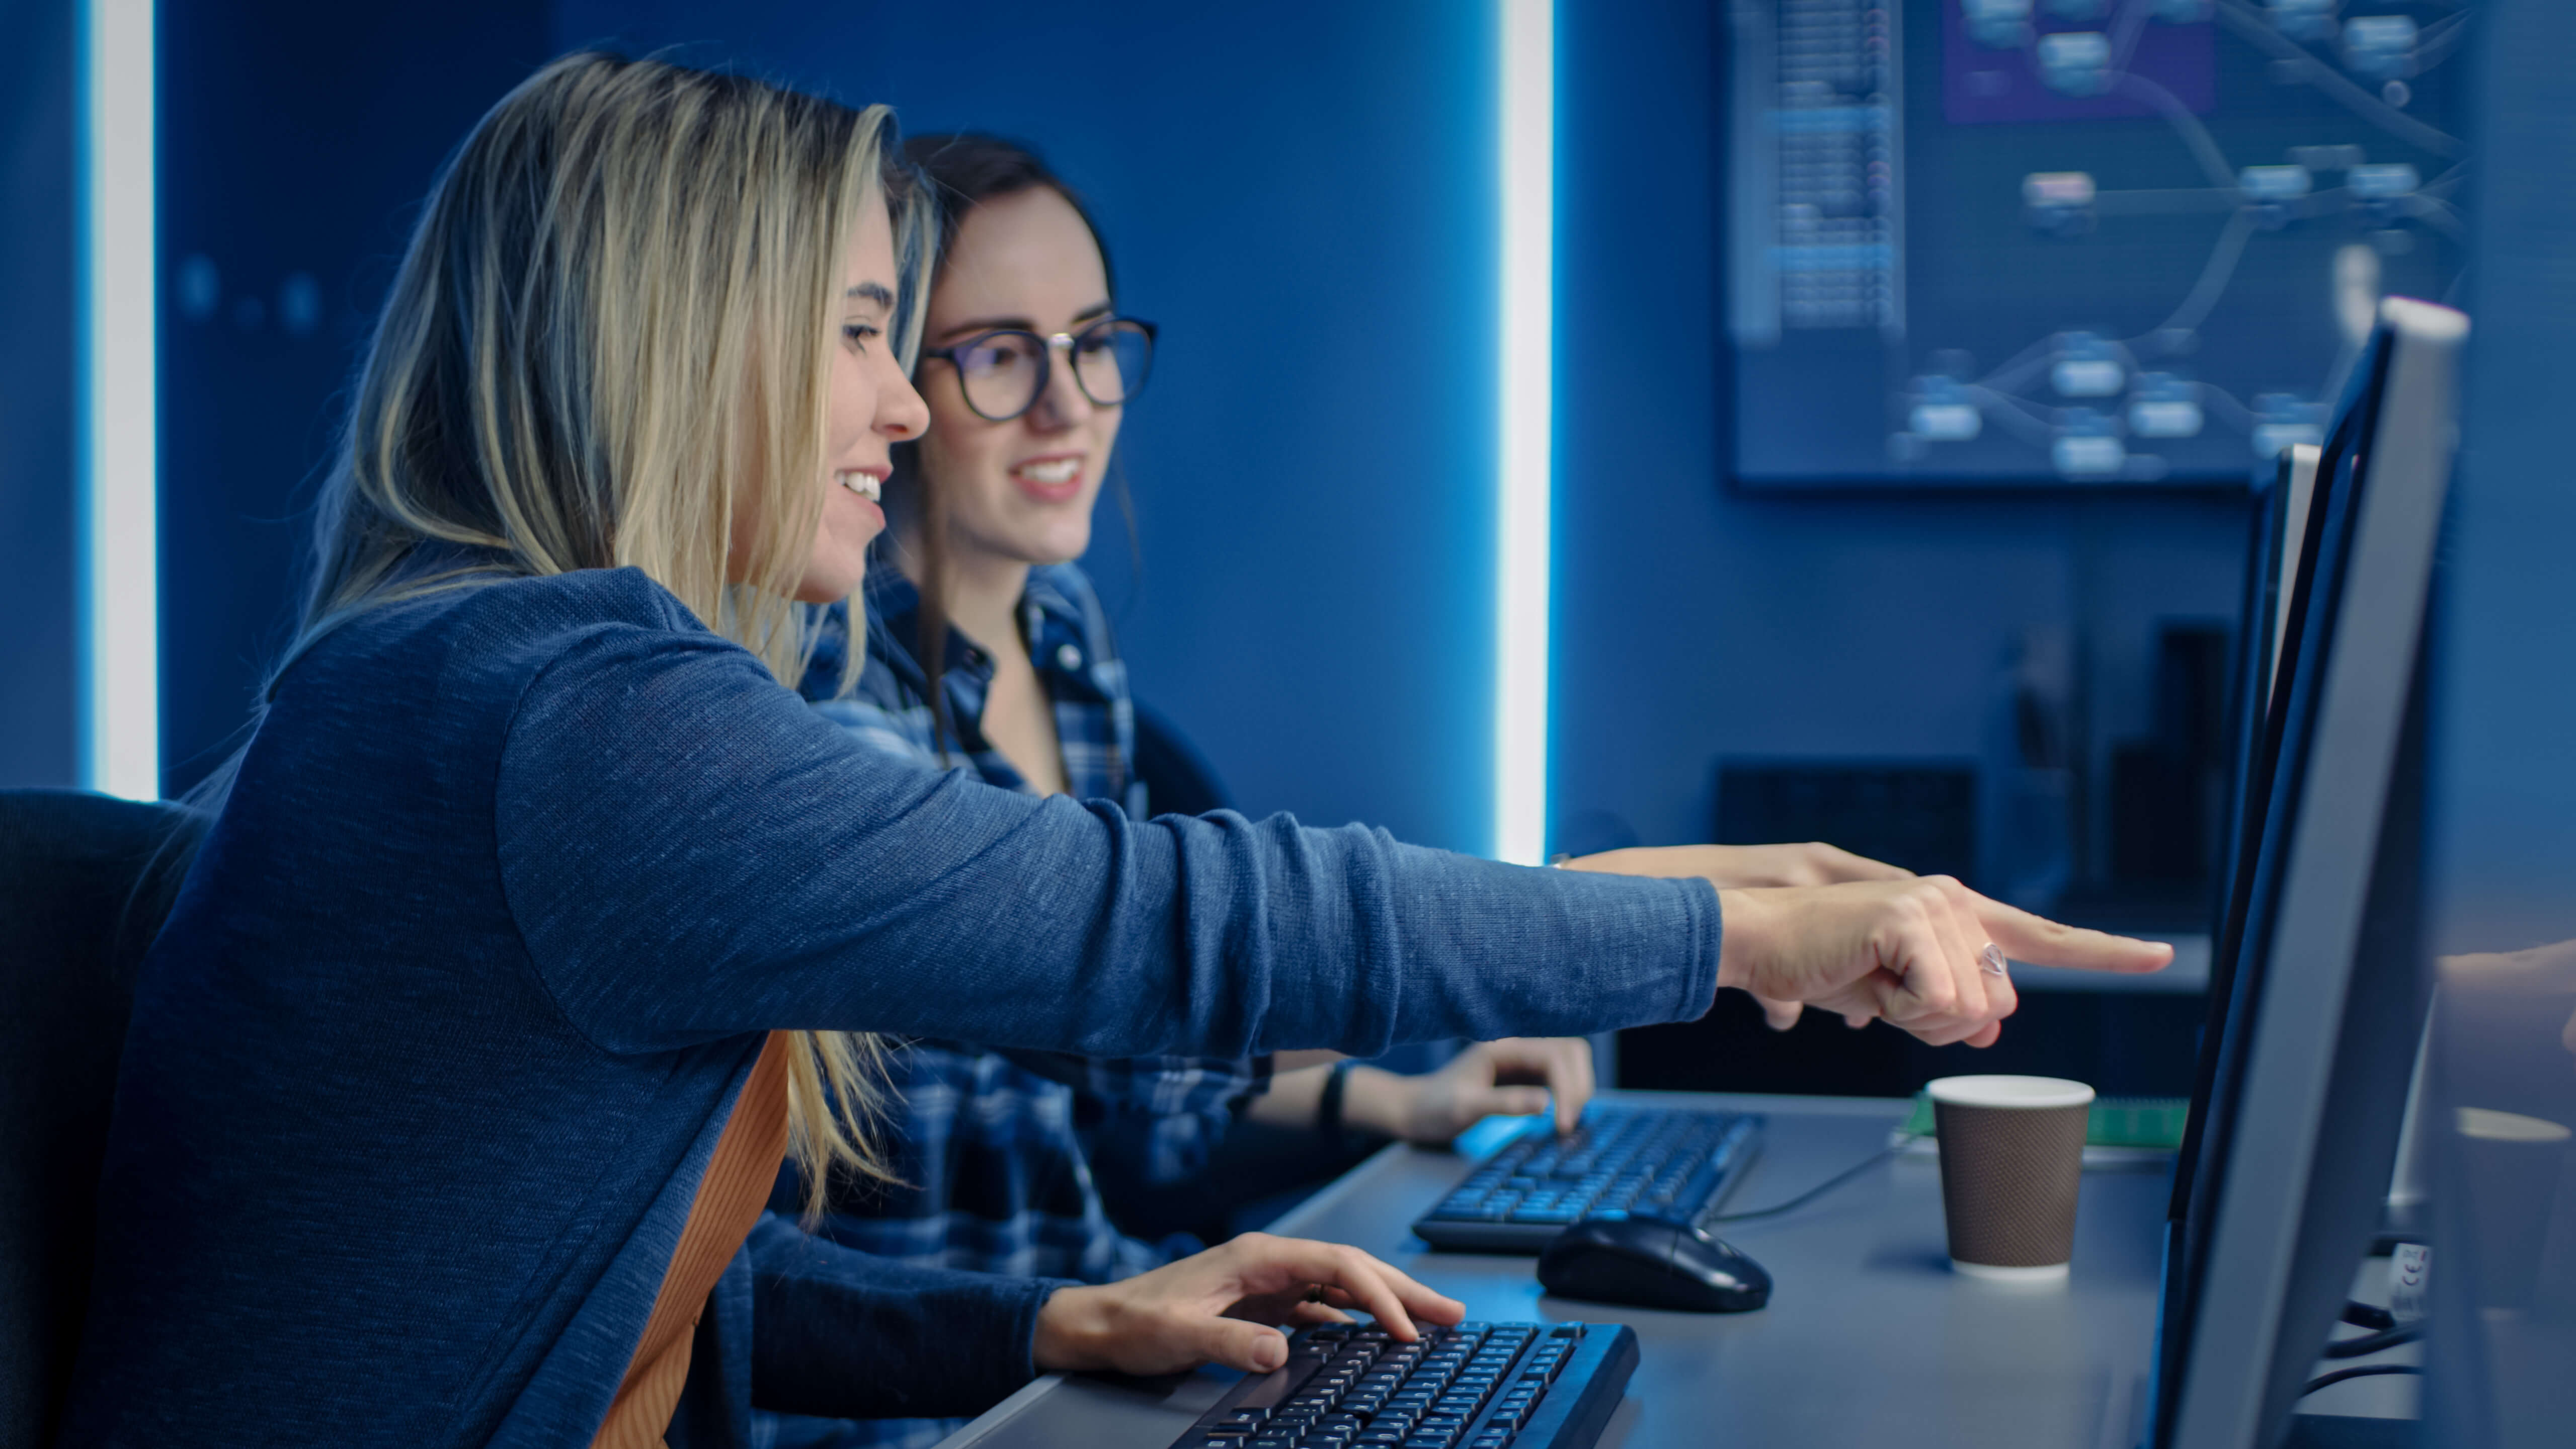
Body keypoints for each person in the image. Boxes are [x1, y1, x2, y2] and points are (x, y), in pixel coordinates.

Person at [58, 52, 2167, 1449]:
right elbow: (1174, 929)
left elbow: (618, 1278)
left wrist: (1055, 1328)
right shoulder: (564, 720)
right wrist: (1735, 936)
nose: (907, 411)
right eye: (870, 334)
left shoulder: (454, 691)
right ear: (683, 338)